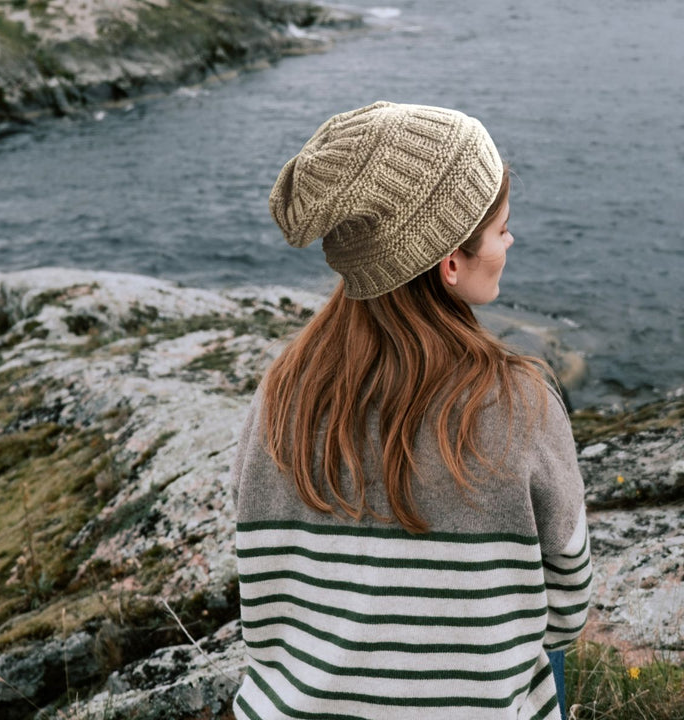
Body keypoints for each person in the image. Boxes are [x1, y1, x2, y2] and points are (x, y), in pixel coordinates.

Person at [230, 101, 591, 720]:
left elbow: (260, 597)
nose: (511, 239)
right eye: (500, 228)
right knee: (541, 658)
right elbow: (567, 606)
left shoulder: (279, 394)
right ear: (451, 261)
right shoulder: (522, 400)